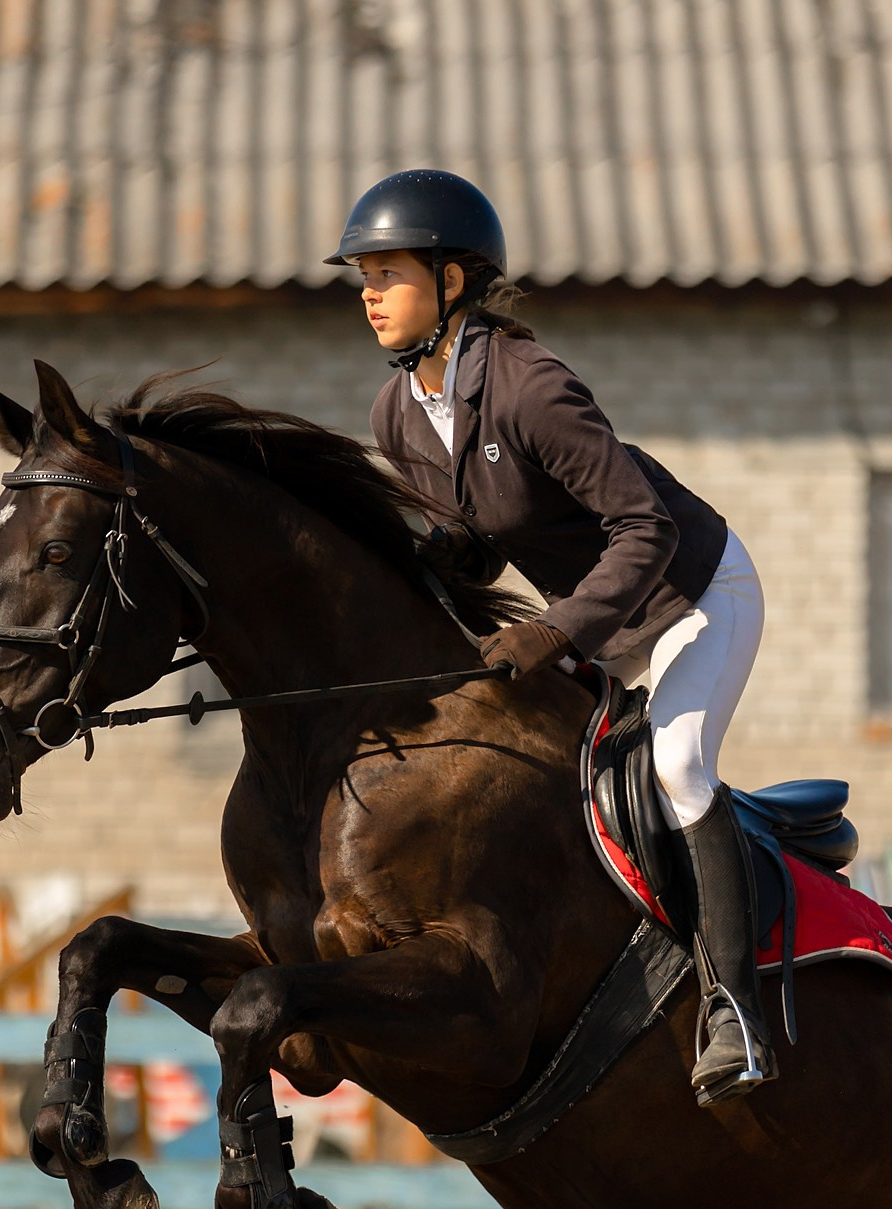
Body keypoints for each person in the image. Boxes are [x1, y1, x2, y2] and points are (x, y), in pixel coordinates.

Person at [328, 168, 777, 1106]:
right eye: (361, 274)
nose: (368, 292)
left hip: (694, 595)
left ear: (452, 281)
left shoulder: (530, 385)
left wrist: (555, 632)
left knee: (678, 768)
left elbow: (644, 528)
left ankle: (737, 1009)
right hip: (600, 621)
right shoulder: (396, 411)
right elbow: (481, 537)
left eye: (388, 272)